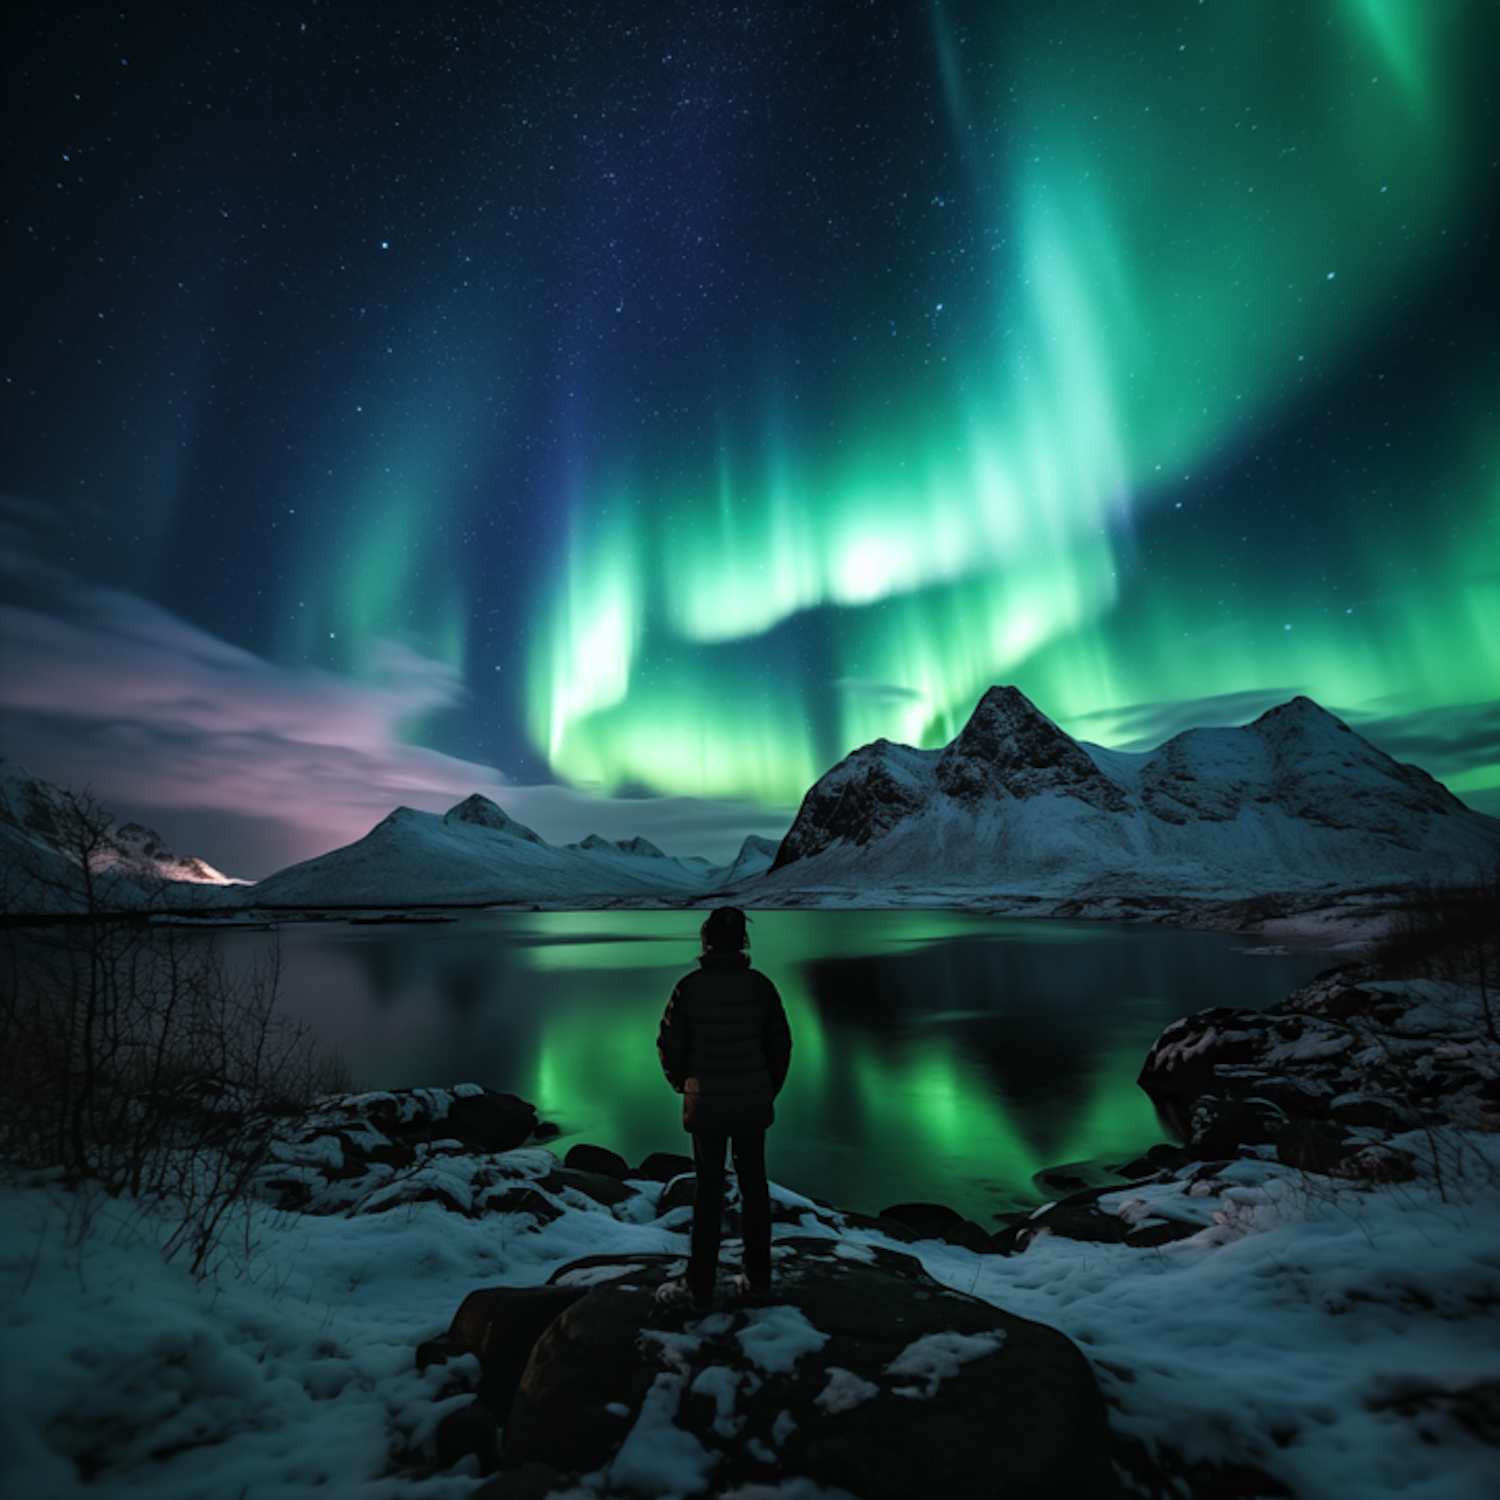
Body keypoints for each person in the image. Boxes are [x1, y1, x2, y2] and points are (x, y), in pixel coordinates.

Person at [656, 906, 792, 1309]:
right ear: (743, 943)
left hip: (707, 1105)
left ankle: (699, 1286)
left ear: (706, 941)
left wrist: (683, 1085)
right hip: (752, 1102)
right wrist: (766, 1089)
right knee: (754, 1189)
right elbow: (780, 1047)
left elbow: (669, 1044)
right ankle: (758, 1279)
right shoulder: (761, 986)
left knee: (708, 1193)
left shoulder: (690, 987)